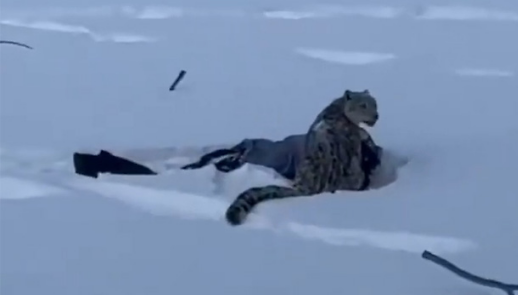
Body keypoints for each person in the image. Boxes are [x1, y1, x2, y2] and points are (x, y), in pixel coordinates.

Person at [73, 133, 383, 191]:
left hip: (255, 152)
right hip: (249, 155)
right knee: (180, 173)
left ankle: (103, 165)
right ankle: (104, 166)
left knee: (181, 171)